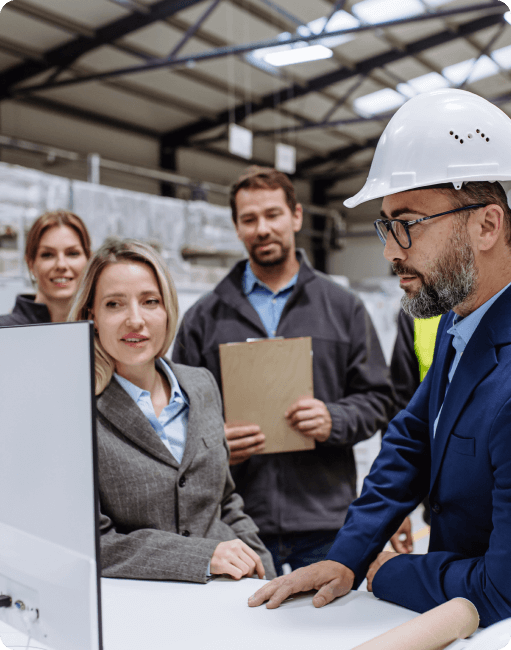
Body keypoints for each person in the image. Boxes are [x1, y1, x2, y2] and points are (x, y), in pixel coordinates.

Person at [248, 88, 511, 628]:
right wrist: (347, 555)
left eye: (407, 224)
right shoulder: (459, 324)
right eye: (386, 226)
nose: (391, 251)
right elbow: (412, 439)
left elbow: (503, 589)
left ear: (487, 225)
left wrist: (386, 570)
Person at [172, 166, 395, 575]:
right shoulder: (204, 318)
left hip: (325, 518)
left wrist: (334, 418)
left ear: (296, 217)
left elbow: (379, 397)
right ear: (237, 228)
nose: (262, 228)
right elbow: (173, 412)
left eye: (273, 215)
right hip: (236, 518)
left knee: (326, 632)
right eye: (249, 219)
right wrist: (212, 442)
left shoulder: (343, 308)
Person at [68, 238, 275, 583]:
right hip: (145, 610)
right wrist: (202, 556)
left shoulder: (201, 384)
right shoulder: (76, 409)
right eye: (114, 304)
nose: (135, 319)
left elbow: (225, 501)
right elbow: (93, 543)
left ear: (168, 310)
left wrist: (265, 570)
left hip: (230, 595)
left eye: (150, 301)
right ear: (93, 316)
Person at [0, 210, 91, 326]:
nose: (61, 265)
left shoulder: (103, 334)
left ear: (89, 260)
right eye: (48, 255)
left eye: (72, 253)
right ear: (30, 264)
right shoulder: (4, 332)